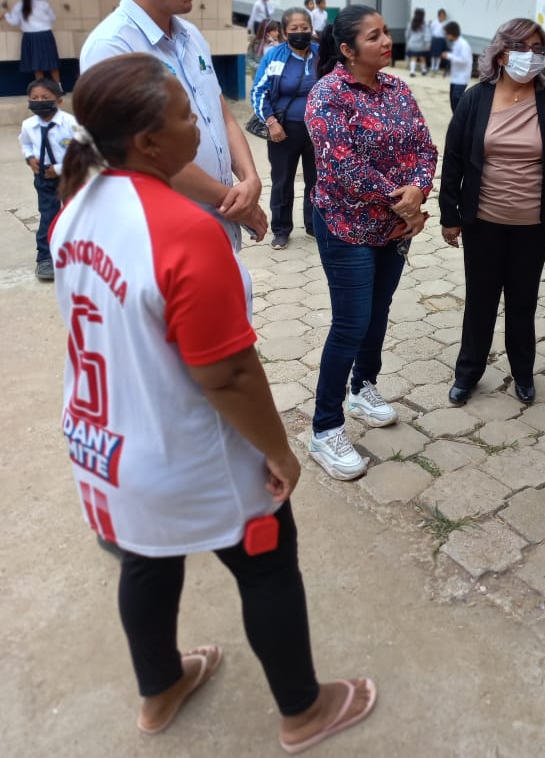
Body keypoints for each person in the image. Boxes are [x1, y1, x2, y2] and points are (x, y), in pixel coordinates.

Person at [52, 53, 376, 751]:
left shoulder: (75, 208)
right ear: (148, 142)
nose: (198, 124)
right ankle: (303, 710)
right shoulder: (183, 230)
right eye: (184, 115)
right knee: (267, 561)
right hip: (189, 454)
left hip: (109, 446)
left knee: (147, 560)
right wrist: (279, 452)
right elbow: (228, 375)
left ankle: (160, 687)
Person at [79, 0, 268, 254]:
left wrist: (250, 178)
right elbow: (144, 154)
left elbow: (221, 113)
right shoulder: (113, 47)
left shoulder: (190, 36)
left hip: (218, 228)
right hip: (166, 245)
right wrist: (234, 201)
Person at [304, 5, 437, 480]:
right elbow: (342, 166)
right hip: (347, 228)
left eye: (385, 32)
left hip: (394, 228)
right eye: (374, 36)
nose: (386, 41)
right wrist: (403, 202)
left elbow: (425, 147)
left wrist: (419, 188)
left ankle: (363, 387)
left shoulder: (398, 89)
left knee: (378, 312)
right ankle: (325, 428)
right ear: (347, 49)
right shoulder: (327, 96)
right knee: (350, 323)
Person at [439, 18, 545, 406]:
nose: (530, 56)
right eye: (521, 47)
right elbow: (454, 158)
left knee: (523, 301)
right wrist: (449, 214)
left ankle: (523, 373)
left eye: (538, 49)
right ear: (501, 54)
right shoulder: (475, 99)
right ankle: (468, 373)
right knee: (481, 301)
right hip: (482, 221)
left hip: (534, 225)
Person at [250, 8, 319, 249]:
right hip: (283, 130)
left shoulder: (321, 55)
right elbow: (259, 91)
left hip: (318, 131)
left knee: (317, 181)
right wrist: (271, 122)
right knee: (282, 181)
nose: (300, 32)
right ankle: (281, 230)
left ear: (311, 29)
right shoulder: (275, 56)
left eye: (304, 28)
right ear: (284, 33)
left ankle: (314, 226)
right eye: (294, 29)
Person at [19, 77, 75, 281]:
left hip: (70, 176)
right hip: (44, 178)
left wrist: (59, 169)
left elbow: (82, 150)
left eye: (45, 97)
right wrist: (29, 158)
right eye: (34, 98)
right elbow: (25, 144)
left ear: (58, 101)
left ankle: (75, 254)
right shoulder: (28, 125)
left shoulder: (70, 123)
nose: (39, 102)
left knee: (74, 215)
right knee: (48, 216)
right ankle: (45, 258)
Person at [3, 0, 61, 83]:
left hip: (29, 37)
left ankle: (42, 87)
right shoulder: (44, 4)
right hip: (46, 35)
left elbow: (14, 22)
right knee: (52, 63)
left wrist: (6, 15)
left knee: (36, 65)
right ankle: (58, 87)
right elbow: (53, 18)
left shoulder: (20, 5)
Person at [440, 20, 474, 112]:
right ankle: (457, 118)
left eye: (447, 34)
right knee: (453, 102)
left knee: (457, 100)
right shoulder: (456, 43)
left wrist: (449, 56)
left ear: (452, 33)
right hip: (455, 77)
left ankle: (461, 119)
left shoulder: (463, 44)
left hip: (462, 78)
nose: (446, 36)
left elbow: (464, 60)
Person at [405, 7, 431, 78]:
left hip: (412, 44)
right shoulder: (424, 24)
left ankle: (412, 72)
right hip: (421, 45)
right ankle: (423, 71)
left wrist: (408, 41)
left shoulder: (411, 23)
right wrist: (427, 44)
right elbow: (427, 35)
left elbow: (407, 34)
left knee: (414, 57)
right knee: (422, 57)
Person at [429, 8, 448, 74]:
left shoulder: (446, 23)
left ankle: (437, 67)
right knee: (433, 54)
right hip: (435, 39)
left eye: (443, 16)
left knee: (439, 54)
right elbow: (431, 30)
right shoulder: (435, 22)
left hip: (441, 39)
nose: (442, 17)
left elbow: (447, 33)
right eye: (441, 15)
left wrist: (445, 29)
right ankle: (432, 67)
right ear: (438, 16)